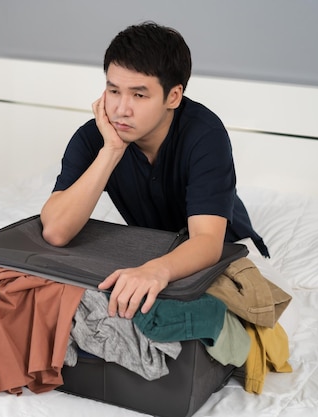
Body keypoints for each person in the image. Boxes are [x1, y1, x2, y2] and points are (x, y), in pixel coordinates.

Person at [40, 21, 268, 321]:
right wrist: (110, 151)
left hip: (229, 251)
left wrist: (155, 270)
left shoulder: (205, 133)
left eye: (139, 95)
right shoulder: (95, 137)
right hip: (152, 250)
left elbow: (208, 242)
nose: (121, 109)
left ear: (173, 96)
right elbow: (56, 230)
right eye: (113, 90)